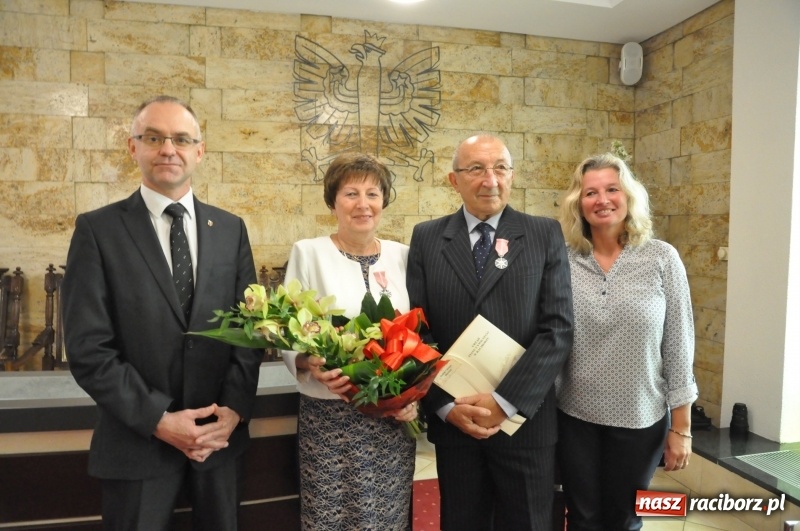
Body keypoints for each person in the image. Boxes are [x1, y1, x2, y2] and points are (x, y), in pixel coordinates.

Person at [62, 95, 262, 531]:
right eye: (154, 137)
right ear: (133, 147)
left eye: (181, 139)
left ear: (199, 150)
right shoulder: (98, 231)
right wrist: (160, 420)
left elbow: (249, 332)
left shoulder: (231, 229)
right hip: (137, 446)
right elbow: (88, 348)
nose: (168, 149)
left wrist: (233, 411)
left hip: (219, 445)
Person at [406, 134, 574, 531]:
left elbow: (558, 328)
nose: (490, 179)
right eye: (476, 169)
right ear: (454, 180)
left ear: (512, 175)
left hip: (524, 423)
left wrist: (504, 401)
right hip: (456, 422)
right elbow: (417, 331)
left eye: (500, 167)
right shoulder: (428, 238)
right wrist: (445, 405)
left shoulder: (543, 234)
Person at [556, 152, 698, 530]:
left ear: (628, 196)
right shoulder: (563, 260)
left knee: (624, 519)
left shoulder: (661, 258)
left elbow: (679, 346)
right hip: (575, 417)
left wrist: (680, 429)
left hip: (641, 419)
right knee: (583, 518)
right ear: (578, 203)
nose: (602, 200)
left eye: (612, 189)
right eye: (591, 192)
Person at [281, 152, 418, 531]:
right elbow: (287, 329)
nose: (363, 205)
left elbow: (418, 335)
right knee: (331, 516)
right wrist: (310, 364)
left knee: (388, 516)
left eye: (372, 194)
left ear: (384, 201)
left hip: (390, 419)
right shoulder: (308, 252)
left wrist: (411, 398)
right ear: (333, 202)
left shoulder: (404, 256)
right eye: (351, 194)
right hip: (330, 414)